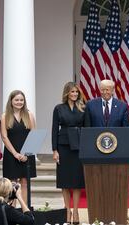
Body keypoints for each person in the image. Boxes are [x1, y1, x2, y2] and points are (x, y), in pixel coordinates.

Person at [52, 82, 86, 223]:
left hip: (79, 146)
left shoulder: (83, 107)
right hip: (64, 147)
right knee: (65, 181)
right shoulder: (59, 108)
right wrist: (55, 150)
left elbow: (87, 128)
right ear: (67, 93)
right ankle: (67, 211)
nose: (74, 94)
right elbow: (54, 129)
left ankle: (76, 211)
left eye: (76, 92)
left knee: (77, 181)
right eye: (72, 92)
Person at [1, 90, 37, 205]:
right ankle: (12, 211)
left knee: (25, 182)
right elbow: (4, 137)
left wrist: (26, 154)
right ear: (11, 101)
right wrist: (15, 154)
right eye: (16, 100)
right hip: (11, 153)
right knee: (12, 183)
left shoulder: (29, 114)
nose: (19, 102)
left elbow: (34, 135)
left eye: (21, 100)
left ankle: (24, 210)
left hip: (27, 153)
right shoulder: (5, 116)